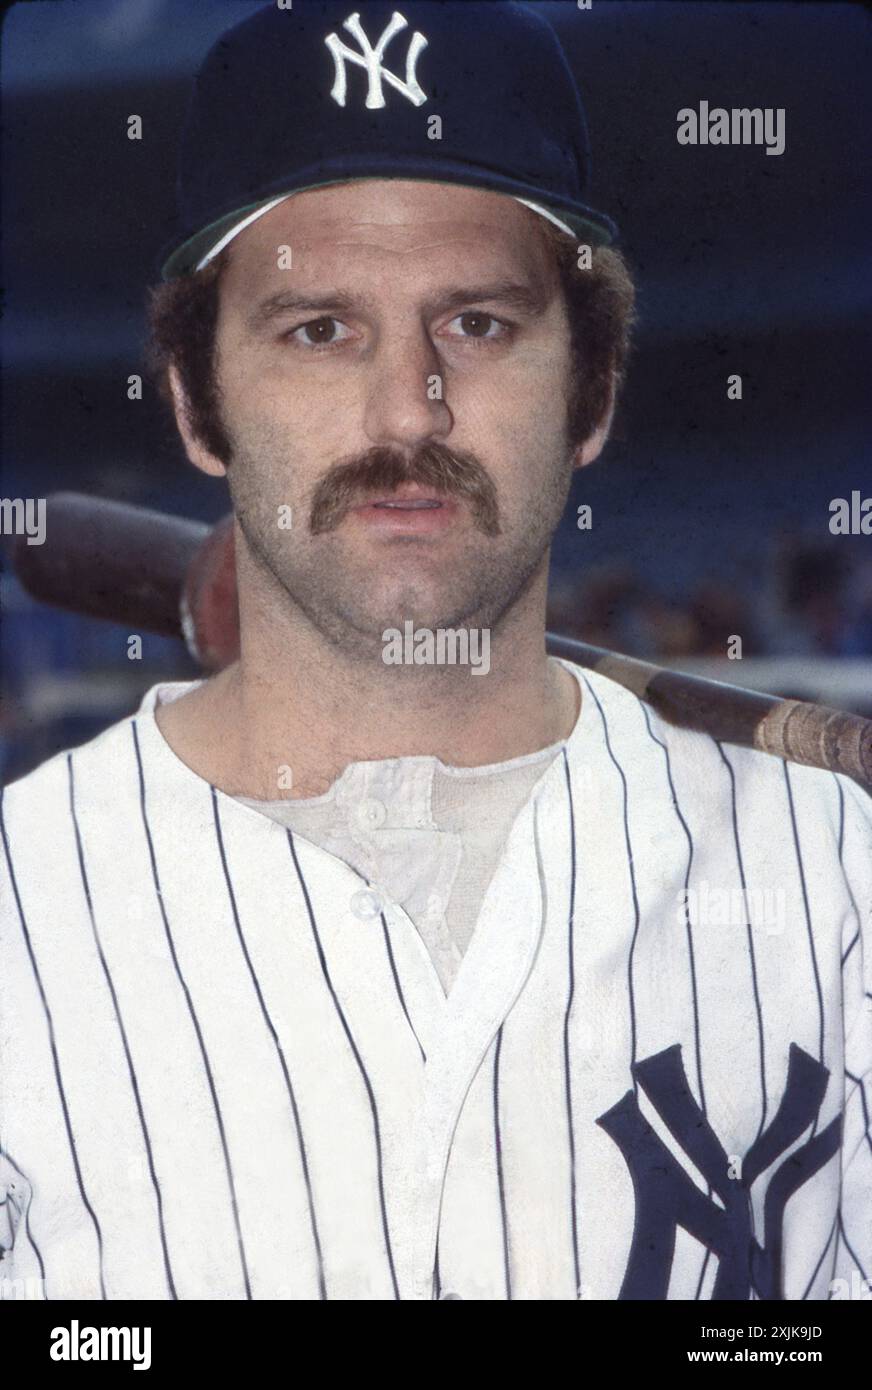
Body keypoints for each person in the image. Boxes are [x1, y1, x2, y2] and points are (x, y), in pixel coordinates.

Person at [1, 1, 869, 1302]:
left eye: (478, 323)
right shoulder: (23, 904)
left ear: (594, 389)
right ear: (193, 401)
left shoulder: (836, 881)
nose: (408, 404)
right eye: (318, 328)